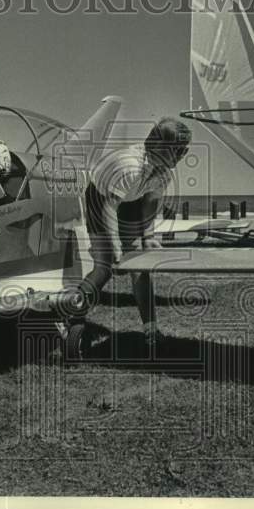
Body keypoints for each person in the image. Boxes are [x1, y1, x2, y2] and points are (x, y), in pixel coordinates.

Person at [65, 117, 191, 348]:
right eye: (178, 150)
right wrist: (115, 244)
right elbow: (109, 206)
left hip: (132, 198)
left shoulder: (163, 173)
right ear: (159, 146)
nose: (183, 155)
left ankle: (151, 331)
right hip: (101, 197)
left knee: (140, 268)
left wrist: (148, 237)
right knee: (104, 267)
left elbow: (150, 203)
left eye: (184, 151)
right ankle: (73, 317)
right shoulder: (130, 166)